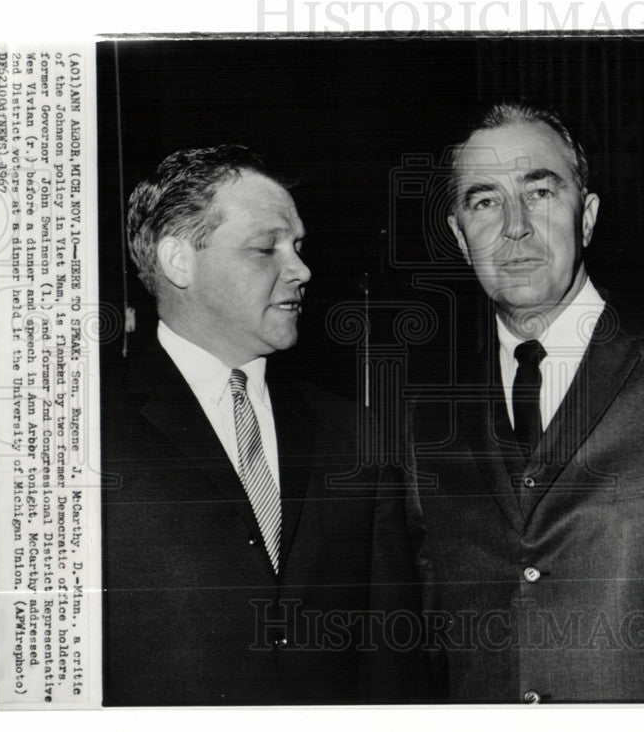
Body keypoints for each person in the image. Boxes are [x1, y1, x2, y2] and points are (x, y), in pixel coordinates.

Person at [397, 104, 644, 702]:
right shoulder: (428, 417)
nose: (514, 227)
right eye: (485, 201)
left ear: (588, 217)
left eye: (540, 191)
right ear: (458, 236)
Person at [101, 145, 418, 705]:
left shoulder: (358, 436)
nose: (301, 270)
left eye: (297, 246)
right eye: (265, 248)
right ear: (180, 261)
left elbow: (390, 661)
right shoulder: (82, 431)